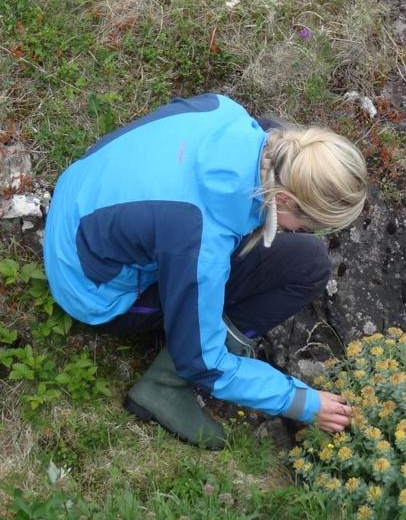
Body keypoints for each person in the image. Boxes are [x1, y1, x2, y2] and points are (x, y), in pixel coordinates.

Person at [43, 93, 367, 449]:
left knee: (307, 259)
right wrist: (304, 403)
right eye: (306, 225)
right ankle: (164, 386)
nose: (300, 232)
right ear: (286, 199)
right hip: (92, 288)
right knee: (301, 268)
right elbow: (202, 360)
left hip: (80, 202)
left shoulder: (224, 112)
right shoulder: (197, 239)